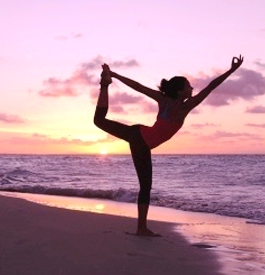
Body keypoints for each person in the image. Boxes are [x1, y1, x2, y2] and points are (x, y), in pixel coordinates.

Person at [94, 56, 244, 236]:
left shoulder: (184, 105)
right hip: (141, 140)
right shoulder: (170, 102)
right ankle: (141, 228)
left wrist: (231, 70)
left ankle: (105, 84)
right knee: (145, 186)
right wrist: (115, 75)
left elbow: (211, 86)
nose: (192, 88)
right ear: (180, 91)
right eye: (188, 86)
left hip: (139, 137)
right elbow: (138, 87)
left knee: (99, 121)